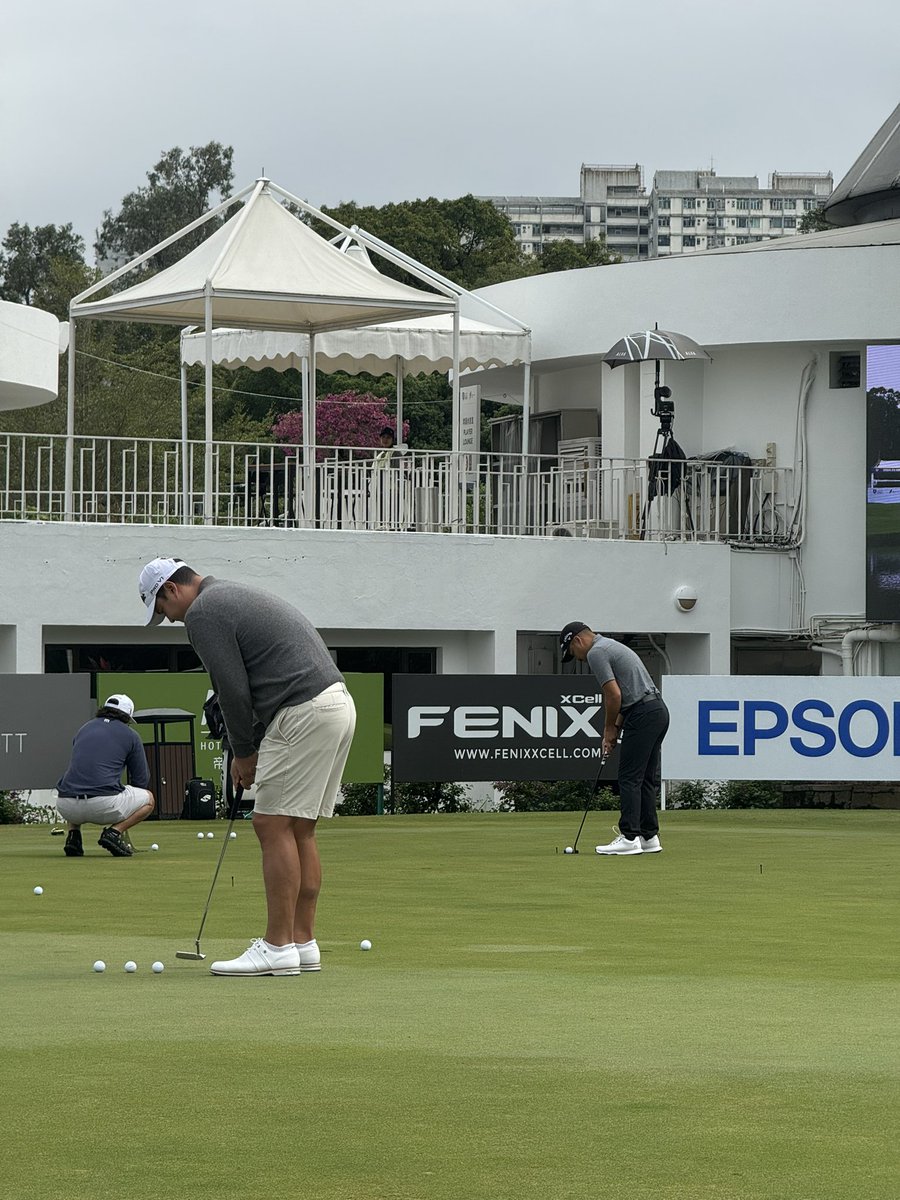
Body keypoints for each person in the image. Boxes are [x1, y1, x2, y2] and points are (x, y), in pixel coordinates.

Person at [139, 557, 356, 977]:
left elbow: (231, 689)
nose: (167, 618)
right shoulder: (233, 595)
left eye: (161, 609)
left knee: (270, 824)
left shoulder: (203, 612)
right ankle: (302, 941)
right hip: (336, 703)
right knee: (299, 826)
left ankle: (277, 947)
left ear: (170, 589)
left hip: (302, 709)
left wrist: (243, 752)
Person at [559, 621, 669, 855]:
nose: (577, 658)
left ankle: (629, 837)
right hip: (657, 711)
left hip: (642, 714)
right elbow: (627, 694)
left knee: (629, 778)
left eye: (572, 652)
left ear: (577, 641)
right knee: (644, 778)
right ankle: (649, 836)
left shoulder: (596, 653)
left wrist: (608, 728)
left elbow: (613, 694)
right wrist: (616, 728)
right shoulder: (610, 646)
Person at [55, 694, 155, 858]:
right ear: (127, 716)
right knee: (149, 799)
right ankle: (113, 834)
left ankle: (73, 837)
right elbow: (141, 779)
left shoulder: (84, 728)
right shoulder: (131, 735)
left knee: (74, 783)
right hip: (103, 806)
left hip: (66, 807)